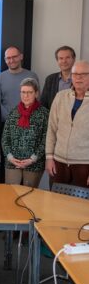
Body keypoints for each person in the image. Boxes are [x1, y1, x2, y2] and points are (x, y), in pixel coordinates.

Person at [0, 46, 39, 183]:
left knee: (28, 160)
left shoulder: (32, 75)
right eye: (8, 58)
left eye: (14, 57)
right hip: (6, 125)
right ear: (5, 60)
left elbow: (36, 100)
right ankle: (5, 193)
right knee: (6, 159)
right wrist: (12, 118)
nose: (11, 60)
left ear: (21, 56)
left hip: (29, 126)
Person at [46, 60, 89, 188]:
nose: (78, 78)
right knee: (56, 203)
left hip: (84, 164)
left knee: (80, 206)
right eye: (75, 74)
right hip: (58, 163)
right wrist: (49, 157)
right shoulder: (60, 97)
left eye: (83, 74)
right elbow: (52, 129)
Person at [2, 78, 48, 187]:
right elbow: (5, 138)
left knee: (30, 198)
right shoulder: (13, 112)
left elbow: (46, 140)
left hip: (34, 164)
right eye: (23, 92)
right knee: (11, 195)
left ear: (36, 93)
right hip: (13, 162)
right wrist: (10, 157)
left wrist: (32, 159)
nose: (25, 96)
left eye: (29, 92)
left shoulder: (44, 114)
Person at [41, 45, 76, 110]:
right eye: (61, 58)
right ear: (57, 60)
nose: (64, 61)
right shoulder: (50, 79)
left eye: (67, 58)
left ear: (73, 59)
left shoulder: (81, 79)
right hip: (54, 118)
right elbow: (43, 103)